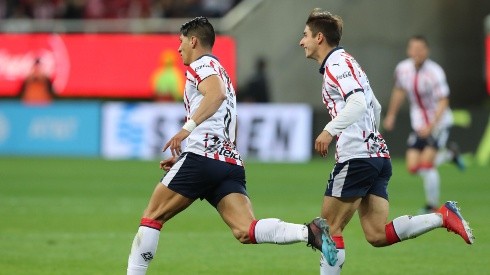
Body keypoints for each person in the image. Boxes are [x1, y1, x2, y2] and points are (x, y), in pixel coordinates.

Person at [127, 16, 338, 275]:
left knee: (152, 217)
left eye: (181, 42)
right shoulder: (222, 72)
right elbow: (231, 118)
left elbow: (216, 96)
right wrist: (195, 156)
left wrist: (186, 132)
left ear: (193, 41)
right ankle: (309, 232)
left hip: (203, 157)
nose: (179, 48)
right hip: (226, 161)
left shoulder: (200, 66)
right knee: (245, 230)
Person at [299, 8, 474, 274]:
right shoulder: (349, 62)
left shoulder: (336, 65)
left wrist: (329, 130)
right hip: (377, 156)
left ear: (320, 38)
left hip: (356, 157)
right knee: (377, 234)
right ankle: (442, 216)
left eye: (305, 35)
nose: (302, 41)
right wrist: (371, 140)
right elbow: (376, 105)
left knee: (327, 229)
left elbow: (358, 103)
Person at [383, 35, 464, 214]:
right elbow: (399, 91)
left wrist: (432, 125)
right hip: (419, 125)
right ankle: (450, 155)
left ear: (427, 51)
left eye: (421, 49)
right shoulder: (402, 69)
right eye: (414, 48)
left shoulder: (435, 72)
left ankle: (432, 205)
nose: (418, 52)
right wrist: (391, 115)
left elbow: (443, 101)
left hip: (439, 123)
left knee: (427, 164)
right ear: (409, 50)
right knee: (413, 167)